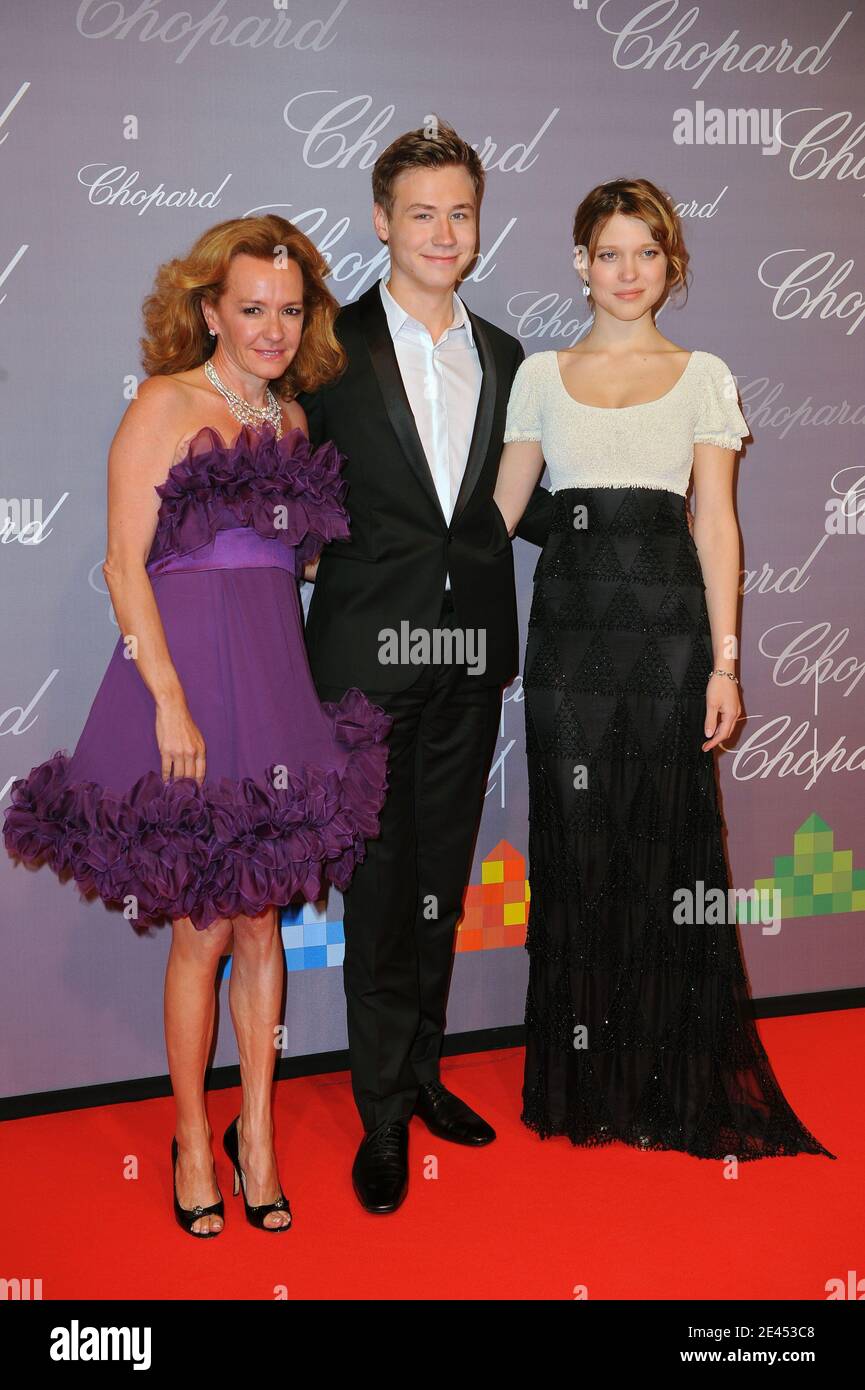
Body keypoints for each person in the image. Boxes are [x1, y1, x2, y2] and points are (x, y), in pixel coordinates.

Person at [2, 215, 394, 1234]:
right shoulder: (163, 407)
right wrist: (169, 699)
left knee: (265, 919)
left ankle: (255, 1134)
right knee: (204, 925)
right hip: (186, 687)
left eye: (288, 309)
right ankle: (190, 1132)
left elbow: (293, 567)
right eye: (250, 307)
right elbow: (124, 566)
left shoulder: (295, 425)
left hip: (271, 684)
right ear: (209, 307)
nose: (270, 328)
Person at [493, 178, 836, 1162]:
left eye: (647, 253)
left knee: (662, 847)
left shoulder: (702, 373)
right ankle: (583, 1079)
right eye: (609, 252)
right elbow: (504, 507)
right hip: (567, 641)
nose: (628, 271)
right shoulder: (538, 377)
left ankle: (662, 1072)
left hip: (669, 640)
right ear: (579, 262)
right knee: (578, 847)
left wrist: (725, 663)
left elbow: (715, 523)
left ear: (670, 266)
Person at [295, 119, 554, 1212]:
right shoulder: (321, 346)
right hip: (363, 660)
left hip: (466, 658)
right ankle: (381, 1111)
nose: (444, 232)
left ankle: (426, 1071)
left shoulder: (505, 355)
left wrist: (626, 520)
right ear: (379, 220)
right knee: (381, 882)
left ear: (477, 223)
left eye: (460, 212)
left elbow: (511, 506)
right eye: (421, 212)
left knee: (440, 876)